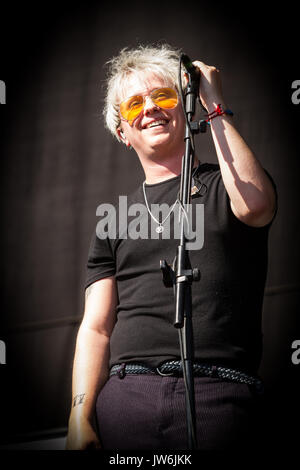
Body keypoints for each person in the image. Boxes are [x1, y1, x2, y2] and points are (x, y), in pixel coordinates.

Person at [66, 43, 277, 451]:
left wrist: (213, 106)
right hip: (128, 394)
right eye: (134, 105)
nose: (150, 109)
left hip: (220, 391)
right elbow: (95, 326)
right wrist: (78, 415)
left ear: (184, 109)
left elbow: (256, 206)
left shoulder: (226, 185)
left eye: (163, 96)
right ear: (122, 133)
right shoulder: (114, 217)